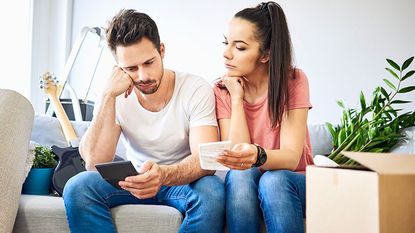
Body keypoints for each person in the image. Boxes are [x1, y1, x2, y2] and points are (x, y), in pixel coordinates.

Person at [63, 9, 225, 233]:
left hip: (180, 183)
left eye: (148, 62)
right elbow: (93, 163)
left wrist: (163, 175)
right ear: (118, 68)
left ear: (162, 51)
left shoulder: (195, 88)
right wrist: (107, 96)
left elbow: (205, 160)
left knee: (212, 190)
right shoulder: (116, 94)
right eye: (131, 68)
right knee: (77, 187)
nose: (142, 76)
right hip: (132, 182)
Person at [213, 2, 313, 233]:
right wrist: (237, 98)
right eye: (225, 43)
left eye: (239, 47)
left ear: (266, 54)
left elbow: (290, 158)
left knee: (274, 181)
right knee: (239, 176)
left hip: (295, 181)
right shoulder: (222, 89)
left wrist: (257, 155)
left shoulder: (293, 81)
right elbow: (237, 157)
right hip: (248, 184)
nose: (226, 53)